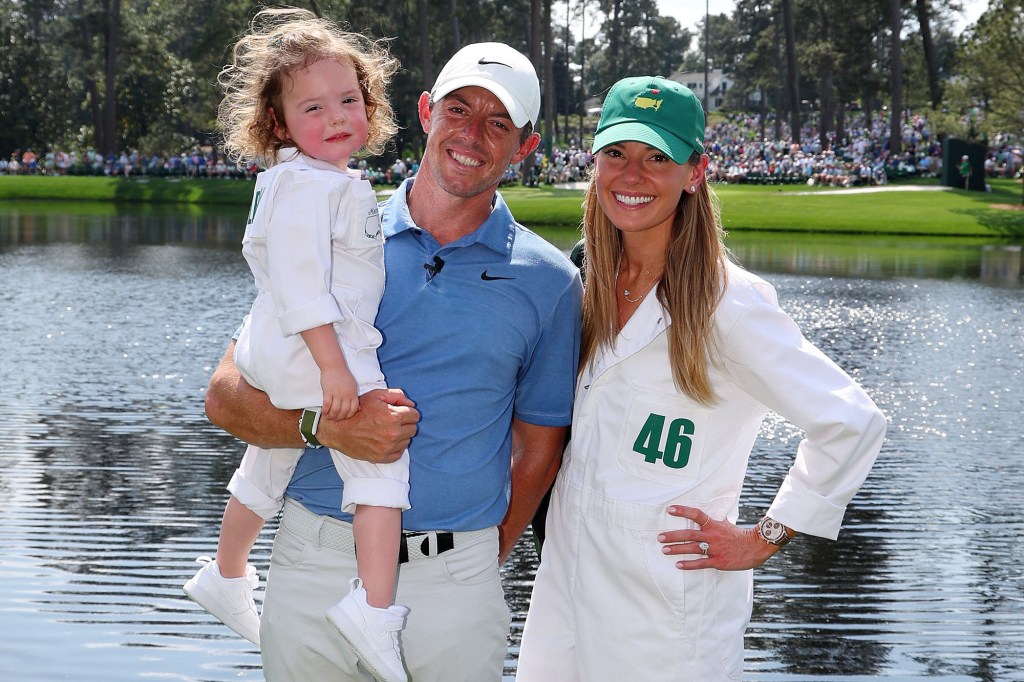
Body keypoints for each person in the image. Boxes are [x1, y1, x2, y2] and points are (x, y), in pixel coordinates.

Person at [203, 41, 582, 681]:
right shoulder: (337, 229)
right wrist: (325, 427)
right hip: (313, 563)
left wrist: (480, 560)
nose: (472, 135)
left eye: (499, 123)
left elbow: (539, 450)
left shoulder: (549, 282)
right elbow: (227, 395)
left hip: (456, 585)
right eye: (459, 110)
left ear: (524, 147)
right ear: (427, 112)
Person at [516, 76, 886, 682]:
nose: (631, 174)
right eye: (616, 153)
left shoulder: (729, 304)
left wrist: (764, 537)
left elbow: (851, 421)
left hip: (668, 609)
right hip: (565, 586)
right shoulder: (581, 283)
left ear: (695, 172)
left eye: (658, 157)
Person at [182, 10, 411, 681]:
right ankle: (372, 608)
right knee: (380, 468)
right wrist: (336, 371)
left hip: (279, 348)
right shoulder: (309, 185)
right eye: (314, 107)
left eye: (349, 101)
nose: (338, 116)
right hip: (316, 350)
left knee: (273, 455)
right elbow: (304, 284)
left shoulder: (304, 178)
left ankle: (225, 574)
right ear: (279, 124)